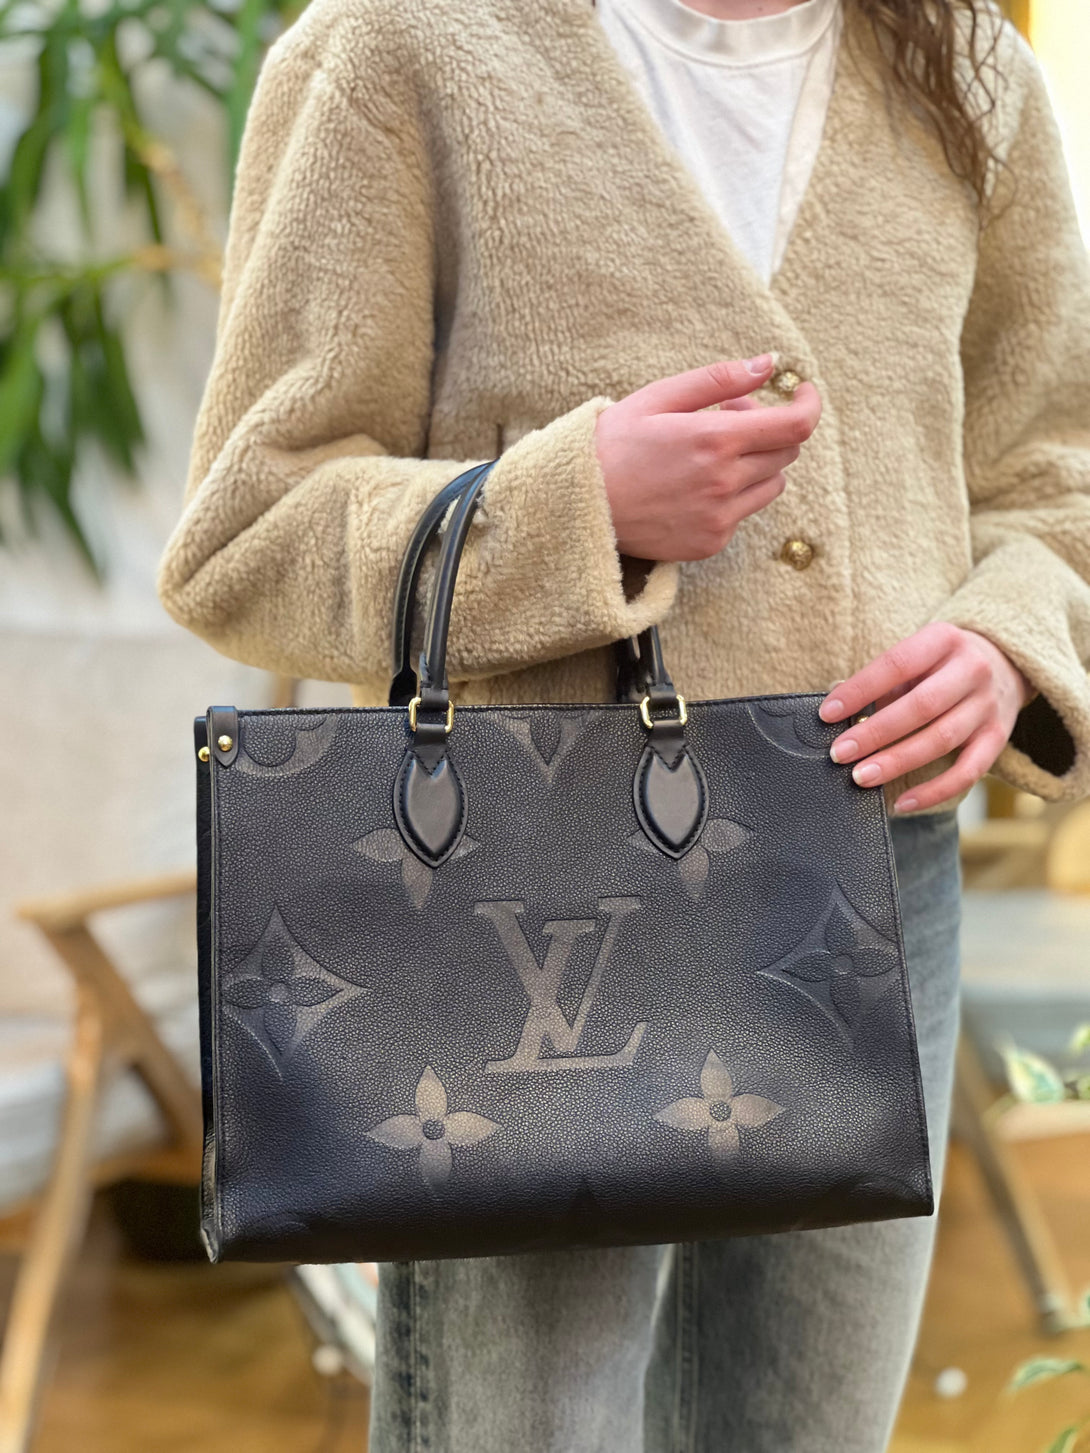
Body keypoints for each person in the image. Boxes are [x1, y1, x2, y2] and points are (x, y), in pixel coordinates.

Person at [158, 0, 1090, 1446]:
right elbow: (244, 533)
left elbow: (1054, 475)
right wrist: (571, 502)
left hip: (862, 871)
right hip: (515, 877)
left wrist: (1009, 638)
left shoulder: (969, 69)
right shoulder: (400, 46)